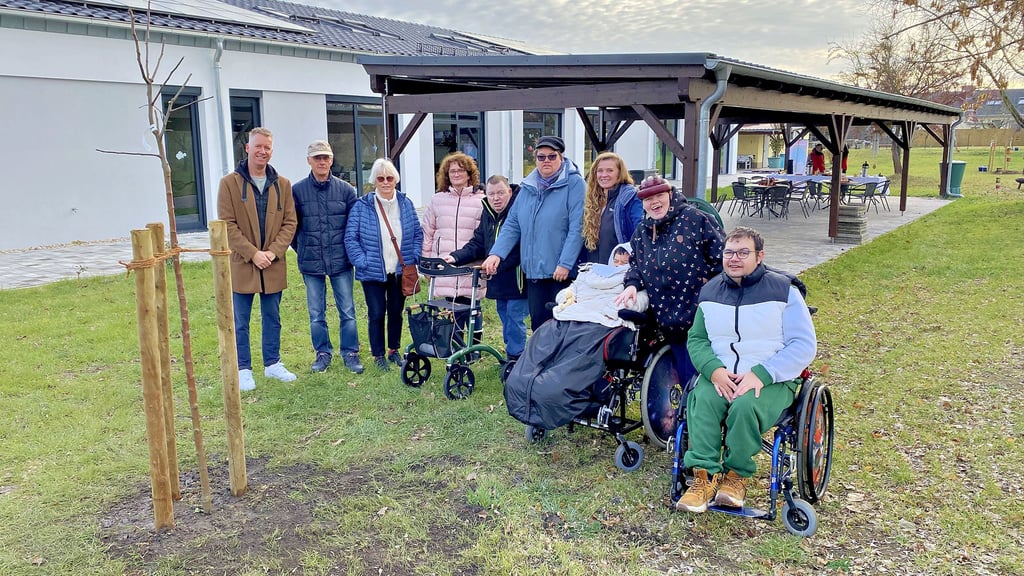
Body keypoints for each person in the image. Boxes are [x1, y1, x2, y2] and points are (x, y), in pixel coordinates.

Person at [676, 226, 817, 513]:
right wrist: (713, 370)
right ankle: (703, 478)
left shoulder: (784, 292)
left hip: (772, 377)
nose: (735, 259)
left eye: (743, 253)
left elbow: (803, 345)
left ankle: (736, 476)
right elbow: (698, 339)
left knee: (744, 406)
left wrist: (761, 374)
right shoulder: (710, 291)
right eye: (729, 252)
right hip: (721, 373)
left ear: (759, 256)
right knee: (703, 400)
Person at [614, 176, 725, 390]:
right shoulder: (642, 232)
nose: (654, 202)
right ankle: (685, 419)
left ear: (670, 195)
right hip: (667, 318)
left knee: (701, 379)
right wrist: (632, 285)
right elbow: (635, 264)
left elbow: (723, 260)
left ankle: (703, 419)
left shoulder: (695, 220)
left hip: (699, 318)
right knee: (685, 379)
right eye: (648, 199)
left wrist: (711, 296)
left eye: (659, 195)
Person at [217, 127, 298, 391]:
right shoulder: (229, 184)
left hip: (273, 263)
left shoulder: (282, 184)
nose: (263, 151)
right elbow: (227, 225)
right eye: (259, 146)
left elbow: (290, 222)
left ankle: (273, 363)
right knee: (241, 320)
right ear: (248, 148)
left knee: (272, 316)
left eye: (268, 147)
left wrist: (273, 252)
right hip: (243, 264)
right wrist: (253, 254)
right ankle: (243, 369)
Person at [482, 135, 585, 330]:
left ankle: (559, 361)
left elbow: (577, 227)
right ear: (535, 159)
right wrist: (496, 253)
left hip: (561, 273)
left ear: (561, 158)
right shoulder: (528, 187)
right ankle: (541, 361)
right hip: (535, 272)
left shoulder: (575, 184)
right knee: (538, 326)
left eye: (552, 156)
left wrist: (565, 263)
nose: (546, 161)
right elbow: (512, 224)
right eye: (541, 157)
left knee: (561, 327)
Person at [291, 140, 364, 375]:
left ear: (331, 160)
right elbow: (292, 228)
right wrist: (303, 248)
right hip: (311, 262)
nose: (322, 161)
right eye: (317, 157)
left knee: (347, 311)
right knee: (316, 313)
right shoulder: (297, 191)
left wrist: (349, 252)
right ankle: (323, 353)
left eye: (325, 157)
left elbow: (355, 227)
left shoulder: (346, 190)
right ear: (309, 161)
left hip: (341, 261)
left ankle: (350, 352)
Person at [344, 158, 423, 371]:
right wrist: (362, 261)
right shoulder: (362, 206)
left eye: (389, 178)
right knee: (377, 313)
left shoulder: (405, 204)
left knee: (396, 311)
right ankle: (378, 354)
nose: (385, 182)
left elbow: (417, 233)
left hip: (399, 270)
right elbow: (351, 238)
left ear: (395, 180)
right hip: (373, 271)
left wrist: (413, 256)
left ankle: (393, 350)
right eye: (381, 178)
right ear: (374, 181)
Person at [445, 175, 528, 360]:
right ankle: (513, 354)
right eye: (491, 194)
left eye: (500, 193)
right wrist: (455, 257)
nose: (496, 198)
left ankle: (516, 358)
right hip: (497, 279)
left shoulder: (520, 211)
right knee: (505, 317)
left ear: (509, 191)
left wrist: (496, 262)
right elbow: (478, 243)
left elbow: (522, 247)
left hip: (518, 280)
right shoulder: (488, 213)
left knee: (515, 318)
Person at [421, 152, 486, 301]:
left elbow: (483, 239)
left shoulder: (482, 201)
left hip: (470, 271)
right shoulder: (437, 200)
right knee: (445, 319)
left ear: (469, 174)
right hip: (443, 268)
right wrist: (426, 262)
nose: (456, 174)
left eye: (461, 170)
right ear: (447, 175)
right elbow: (428, 233)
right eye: (452, 171)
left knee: (471, 318)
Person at [581, 152, 642, 264]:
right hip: (594, 271)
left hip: (619, 269)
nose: (604, 175)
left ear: (619, 173)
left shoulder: (631, 198)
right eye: (600, 171)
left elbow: (639, 232)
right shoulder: (592, 199)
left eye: (610, 170)